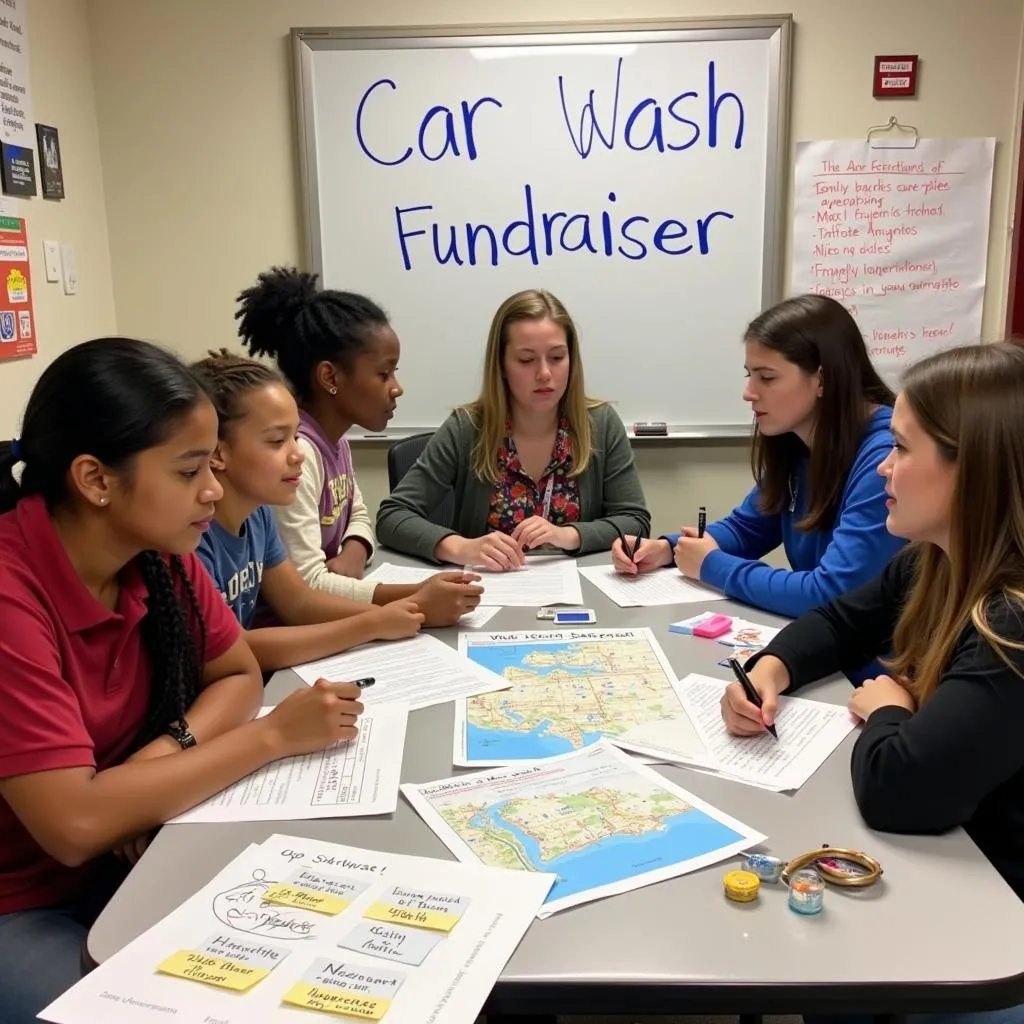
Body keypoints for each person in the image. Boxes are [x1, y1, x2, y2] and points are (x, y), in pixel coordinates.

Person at [0, 339, 370, 1023]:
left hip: (133, 847)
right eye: (189, 470)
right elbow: (76, 823)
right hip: (24, 897)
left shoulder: (154, 554)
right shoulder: (11, 593)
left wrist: (164, 751)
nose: (211, 489)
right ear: (96, 479)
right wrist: (270, 739)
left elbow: (234, 671)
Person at [722, 344, 1024, 1024]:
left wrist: (889, 707)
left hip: (997, 912)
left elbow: (900, 790)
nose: (884, 467)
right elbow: (838, 621)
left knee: (823, 966)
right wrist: (769, 669)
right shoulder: (939, 559)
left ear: (970, 471)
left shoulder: (1013, 621)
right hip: (956, 861)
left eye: (903, 449)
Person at [611, 294, 905, 619]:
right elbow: (747, 528)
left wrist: (712, 565)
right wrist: (667, 548)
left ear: (822, 379)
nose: (749, 392)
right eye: (749, 375)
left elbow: (830, 593)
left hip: (876, 662)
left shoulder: (885, 460)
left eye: (767, 378)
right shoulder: (798, 441)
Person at [191, 349, 484, 670]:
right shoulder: (194, 537)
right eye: (277, 441)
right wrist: (380, 621)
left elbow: (299, 602)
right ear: (217, 452)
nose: (298, 454)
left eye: (295, 436)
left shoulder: (257, 513)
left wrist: (409, 603)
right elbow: (233, 649)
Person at [376, 288, 650, 569]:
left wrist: (568, 535)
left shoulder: (600, 424)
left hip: (582, 596)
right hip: (485, 595)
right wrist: (461, 547)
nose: (544, 373)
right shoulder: (467, 428)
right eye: (526, 360)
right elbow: (393, 516)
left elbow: (635, 521)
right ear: (502, 365)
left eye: (557, 357)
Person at [236, 266, 399, 599]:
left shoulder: (336, 437)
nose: (397, 389)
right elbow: (308, 583)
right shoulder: (300, 453)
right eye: (384, 374)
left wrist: (355, 550)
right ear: (330, 377)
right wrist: (414, 595)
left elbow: (358, 510)